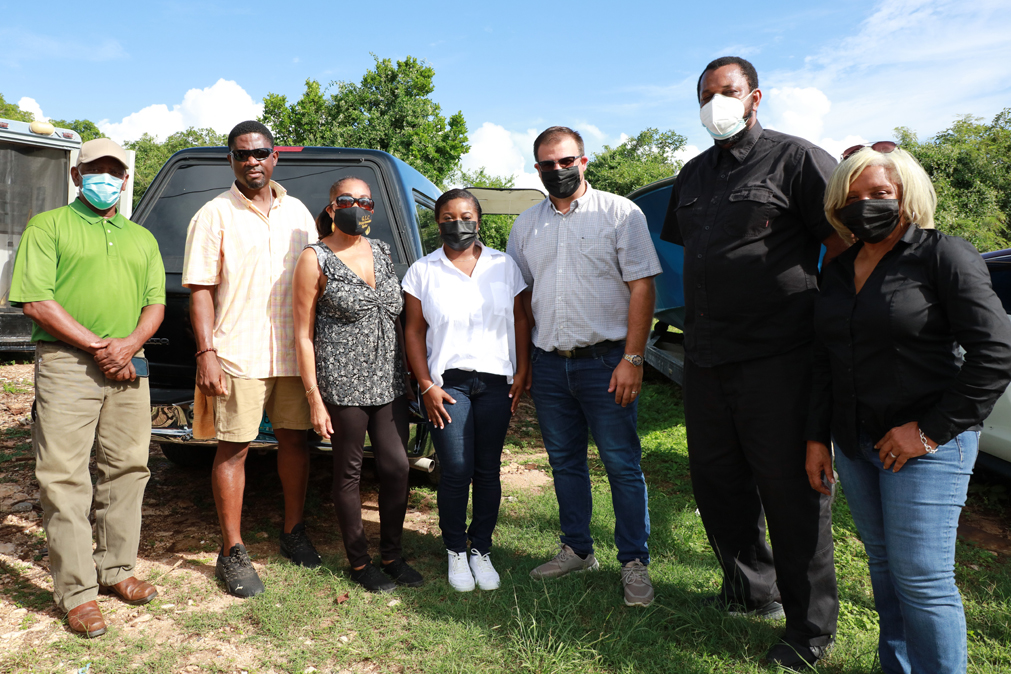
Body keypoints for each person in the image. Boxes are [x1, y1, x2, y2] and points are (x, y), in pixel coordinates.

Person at [659, 56, 845, 669]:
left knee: (792, 494)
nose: (718, 103)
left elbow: (841, 247)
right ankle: (749, 591)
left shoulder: (798, 160)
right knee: (719, 485)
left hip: (781, 359)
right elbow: (699, 253)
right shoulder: (690, 176)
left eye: (728, 92)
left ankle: (810, 630)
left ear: (755, 97)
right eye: (707, 95)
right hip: (708, 358)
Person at [806, 143, 1011, 674]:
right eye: (852, 197)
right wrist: (816, 438)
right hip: (856, 445)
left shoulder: (943, 254)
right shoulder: (840, 267)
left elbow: (996, 352)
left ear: (906, 196)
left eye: (880, 193)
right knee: (883, 568)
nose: (865, 204)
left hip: (926, 446)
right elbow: (825, 362)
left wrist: (928, 432)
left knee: (922, 576)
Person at [10, 138, 165, 637]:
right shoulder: (48, 226)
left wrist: (129, 346)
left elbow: (155, 305)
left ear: (124, 179)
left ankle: (116, 569)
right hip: (67, 363)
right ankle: (76, 591)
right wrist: (102, 346)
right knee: (64, 476)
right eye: (93, 170)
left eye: (113, 171)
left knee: (128, 469)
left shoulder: (141, 238)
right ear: (77, 177)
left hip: (129, 364)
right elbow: (36, 301)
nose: (104, 178)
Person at [506, 126, 661, 607]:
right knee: (565, 463)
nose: (558, 170)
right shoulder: (525, 226)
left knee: (621, 464)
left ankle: (634, 561)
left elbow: (642, 287)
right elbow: (522, 296)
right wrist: (525, 362)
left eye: (566, 161)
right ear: (537, 170)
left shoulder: (621, 213)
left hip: (607, 362)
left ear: (584, 160)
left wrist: (633, 359)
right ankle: (577, 549)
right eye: (548, 164)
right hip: (552, 365)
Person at [183, 120, 321, 599]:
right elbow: (200, 291)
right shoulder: (213, 215)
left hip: (292, 353)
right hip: (237, 353)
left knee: (295, 443)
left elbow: (318, 281)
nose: (253, 161)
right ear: (231, 161)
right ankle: (232, 551)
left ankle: (293, 531)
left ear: (275, 156)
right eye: (243, 155)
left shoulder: (301, 213)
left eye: (260, 152)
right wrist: (207, 353)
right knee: (234, 449)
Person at [292, 176, 423, 593]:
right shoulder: (314, 258)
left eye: (365, 202)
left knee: (397, 467)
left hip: (389, 381)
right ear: (331, 207)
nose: (357, 207)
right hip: (343, 385)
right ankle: (361, 562)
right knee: (348, 473)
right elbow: (302, 333)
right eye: (347, 199)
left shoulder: (382, 251)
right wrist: (314, 397)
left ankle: (392, 555)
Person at [402, 189, 530, 592]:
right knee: (456, 469)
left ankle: (482, 549)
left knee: (487, 470)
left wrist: (523, 370)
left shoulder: (503, 265)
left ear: (478, 220)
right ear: (437, 222)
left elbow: (521, 319)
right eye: (449, 217)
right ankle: (456, 550)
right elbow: (414, 330)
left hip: (495, 381)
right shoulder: (423, 271)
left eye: (466, 216)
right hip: (448, 385)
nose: (458, 224)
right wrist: (425, 385)